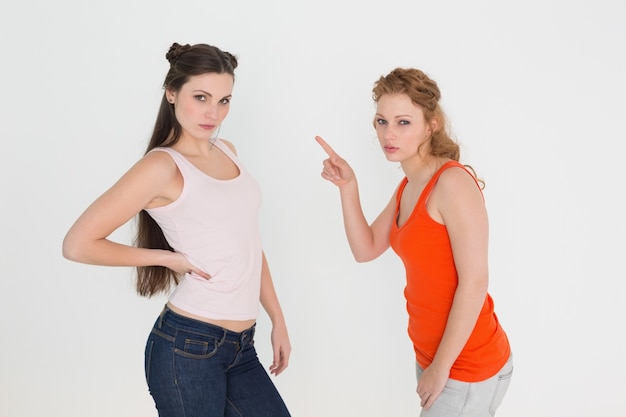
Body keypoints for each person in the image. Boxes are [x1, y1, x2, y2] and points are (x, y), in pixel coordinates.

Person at [62, 42, 291, 417]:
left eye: (224, 100)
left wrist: (277, 319)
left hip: (241, 345)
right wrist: (166, 258)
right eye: (201, 97)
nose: (213, 113)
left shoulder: (228, 151)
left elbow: (249, 244)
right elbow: (77, 244)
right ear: (172, 93)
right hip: (187, 346)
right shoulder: (162, 167)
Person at [316, 68, 512, 417]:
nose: (388, 134)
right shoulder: (409, 186)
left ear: (431, 124)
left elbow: (475, 281)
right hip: (435, 359)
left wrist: (441, 369)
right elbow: (366, 249)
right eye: (381, 121)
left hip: (465, 366)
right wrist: (349, 188)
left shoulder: (451, 184)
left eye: (403, 122)